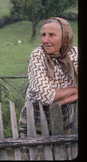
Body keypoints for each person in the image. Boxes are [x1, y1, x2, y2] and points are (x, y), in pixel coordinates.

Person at [19, 17, 78, 159]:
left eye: (51, 35)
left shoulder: (74, 54)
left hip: (65, 115)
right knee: (36, 156)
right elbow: (46, 96)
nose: (45, 40)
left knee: (64, 155)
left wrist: (60, 101)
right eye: (43, 35)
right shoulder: (38, 55)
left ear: (64, 37)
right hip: (37, 115)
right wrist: (75, 90)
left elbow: (52, 97)